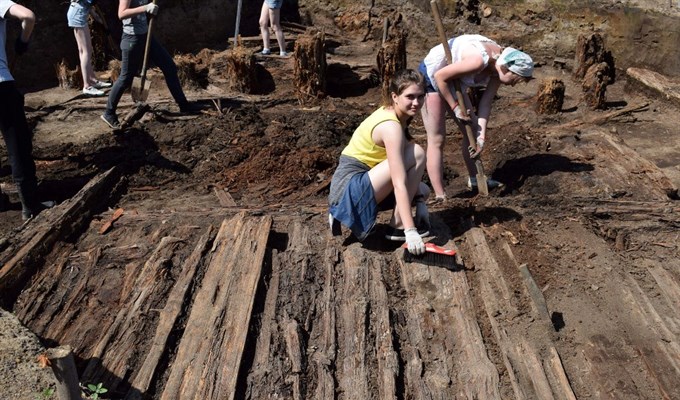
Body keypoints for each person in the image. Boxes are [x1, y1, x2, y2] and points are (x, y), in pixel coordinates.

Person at [328, 69, 431, 255]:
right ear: (395, 96)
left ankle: (398, 226)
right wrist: (411, 230)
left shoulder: (397, 117)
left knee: (423, 190)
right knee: (416, 153)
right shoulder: (391, 126)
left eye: (420, 96)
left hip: (362, 183)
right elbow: (399, 181)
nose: (416, 103)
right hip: (348, 190)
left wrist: (420, 202)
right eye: (410, 97)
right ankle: (399, 227)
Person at [419, 34, 534, 200]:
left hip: (453, 80)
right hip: (432, 76)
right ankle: (440, 195)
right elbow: (440, 77)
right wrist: (455, 107)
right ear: (506, 68)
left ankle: (475, 179)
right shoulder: (479, 60)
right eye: (515, 79)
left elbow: (485, 103)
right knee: (437, 138)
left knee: (472, 130)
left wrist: (481, 137)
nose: (515, 84)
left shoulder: (498, 68)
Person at [100, 0, 200, 130]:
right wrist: (145, 8)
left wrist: (149, 9)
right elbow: (122, 14)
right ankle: (109, 113)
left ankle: (183, 105)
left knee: (169, 66)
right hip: (132, 39)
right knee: (126, 77)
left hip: (146, 36)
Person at [1, 0, 56, 220]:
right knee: (18, 145)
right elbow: (28, 16)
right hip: (1, 86)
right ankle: (30, 205)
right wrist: (22, 42)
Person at [67, 0, 112, 96]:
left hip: (77, 14)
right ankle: (87, 86)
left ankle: (92, 80)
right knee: (86, 52)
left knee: (83, 50)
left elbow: (92, 10)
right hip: (78, 16)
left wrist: (102, 24)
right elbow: (92, 3)